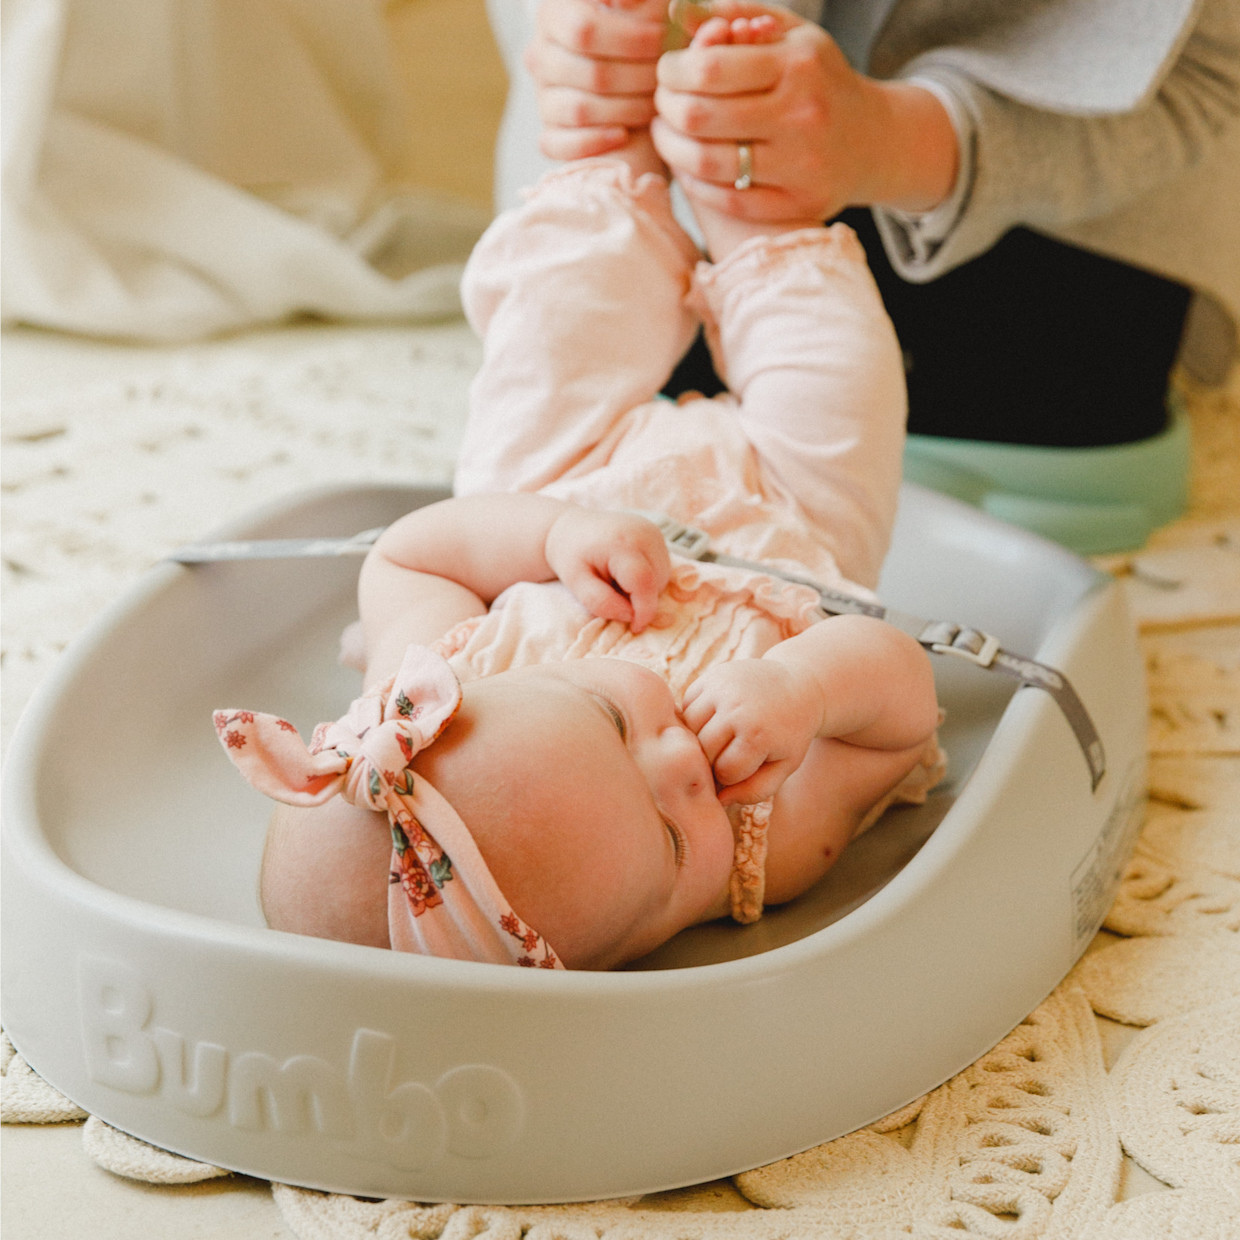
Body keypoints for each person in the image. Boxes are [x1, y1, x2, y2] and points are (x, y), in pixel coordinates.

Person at [215, 14, 943, 972]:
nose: (684, 763)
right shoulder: (771, 838)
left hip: (567, 479)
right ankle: (754, 203)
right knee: (838, 378)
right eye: (676, 844)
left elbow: (412, 551)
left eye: (612, 724)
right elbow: (903, 707)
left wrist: (556, 534)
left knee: (550, 340)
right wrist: (799, 689)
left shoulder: (436, 686)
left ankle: (614, 159)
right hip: (786, 523)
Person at [499, 0, 1240, 447]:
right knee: (582, 372)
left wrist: (889, 140)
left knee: (1058, 384)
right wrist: (591, 54)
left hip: (1061, 219)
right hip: (649, 197)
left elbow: (1211, 73)